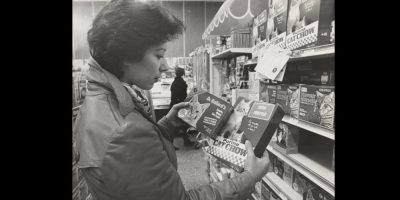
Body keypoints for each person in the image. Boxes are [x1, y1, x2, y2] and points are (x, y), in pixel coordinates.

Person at [73, 1, 270, 199]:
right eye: (159, 55)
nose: (165, 66)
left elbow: (133, 166)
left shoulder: (98, 101)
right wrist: (249, 178)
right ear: (126, 55)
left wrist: (165, 125)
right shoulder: (124, 131)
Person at [170, 67, 193, 148]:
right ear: (183, 73)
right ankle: (185, 141)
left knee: (176, 125)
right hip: (179, 106)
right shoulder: (182, 83)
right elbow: (183, 96)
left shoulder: (175, 82)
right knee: (183, 125)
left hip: (174, 105)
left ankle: (173, 143)